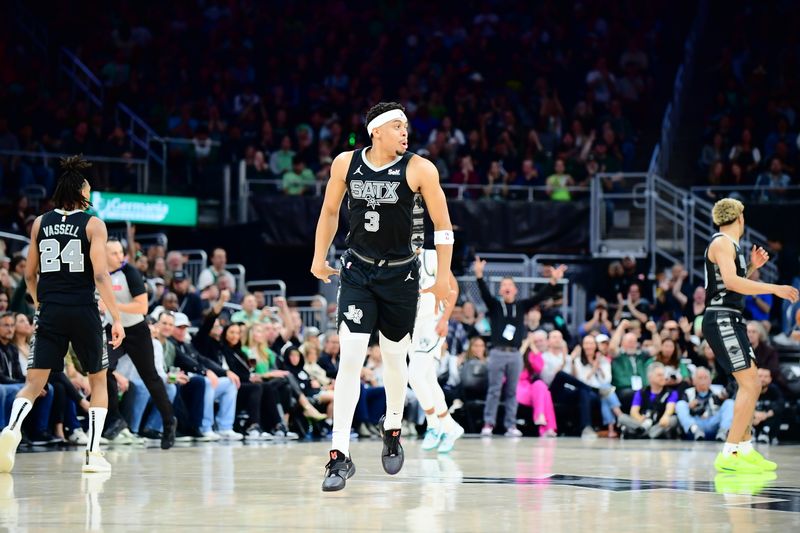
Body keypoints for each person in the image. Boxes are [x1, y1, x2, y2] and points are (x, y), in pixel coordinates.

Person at [310, 102, 454, 491]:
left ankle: (392, 425)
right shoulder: (346, 163)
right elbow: (329, 212)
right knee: (350, 359)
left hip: (402, 275)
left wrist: (442, 275)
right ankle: (339, 455)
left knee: (394, 357)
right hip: (358, 271)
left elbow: (442, 226)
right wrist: (318, 257)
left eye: (406, 126)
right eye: (396, 126)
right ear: (376, 132)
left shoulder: (420, 168)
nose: (404, 132)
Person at [0, 156, 125, 474]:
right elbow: (100, 275)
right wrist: (117, 316)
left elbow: (29, 275)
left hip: (51, 309)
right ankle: (93, 455)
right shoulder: (94, 224)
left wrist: (40, 304)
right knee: (99, 380)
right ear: (82, 192)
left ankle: (11, 430)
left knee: (32, 383)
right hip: (83, 309)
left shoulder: (40, 223)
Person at [701, 198, 798, 473]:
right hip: (721, 317)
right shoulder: (721, 242)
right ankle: (730, 452)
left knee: (753, 383)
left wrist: (751, 268)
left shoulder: (729, 246)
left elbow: (728, 282)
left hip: (730, 317)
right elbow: (731, 283)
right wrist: (774, 288)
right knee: (748, 383)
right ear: (740, 218)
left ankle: (744, 447)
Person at [474, 256, 567, 437]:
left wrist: (553, 281)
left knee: (511, 391)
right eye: (504, 285)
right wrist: (479, 275)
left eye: (510, 284)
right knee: (494, 390)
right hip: (497, 352)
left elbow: (540, 296)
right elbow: (484, 293)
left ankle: (510, 425)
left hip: (516, 354)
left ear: (515, 289)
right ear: (501, 290)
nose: (507, 287)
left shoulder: (521, 306)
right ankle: (488, 423)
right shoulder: (495, 306)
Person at [101, 238, 176, 450]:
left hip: (135, 329)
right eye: (113, 253)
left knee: (150, 377)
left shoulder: (130, 273)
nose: (119, 256)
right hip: (112, 327)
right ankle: (115, 419)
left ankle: (169, 421)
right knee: (103, 367)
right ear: (103, 254)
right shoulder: (98, 273)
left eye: (120, 252)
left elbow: (142, 307)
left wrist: (113, 304)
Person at [408, 247, 464, 454]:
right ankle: (450, 426)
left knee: (414, 376)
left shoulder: (430, 257)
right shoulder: (396, 257)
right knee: (428, 380)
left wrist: (444, 319)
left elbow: (453, 287)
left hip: (431, 324)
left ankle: (433, 423)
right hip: (410, 326)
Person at [617, 363, 679, 439]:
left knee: (673, 420)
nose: (663, 378)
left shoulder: (671, 393)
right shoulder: (641, 392)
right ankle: (646, 432)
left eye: (663, 375)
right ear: (650, 378)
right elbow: (633, 411)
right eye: (659, 375)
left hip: (659, 423)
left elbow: (670, 408)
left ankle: (642, 433)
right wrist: (640, 418)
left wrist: (666, 416)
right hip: (643, 422)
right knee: (622, 417)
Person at [675, 367, 734, 442]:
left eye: (705, 378)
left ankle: (723, 432)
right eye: (700, 378)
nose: (703, 381)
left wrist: (722, 399)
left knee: (730, 403)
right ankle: (695, 430)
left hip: (713, 422)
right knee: (680, 404)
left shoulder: (719, 390)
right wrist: (689, 406)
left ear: (710, 380)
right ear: (694, 381)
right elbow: (683, 411)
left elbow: (726, 408)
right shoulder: (688, 393)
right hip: (696, 423)